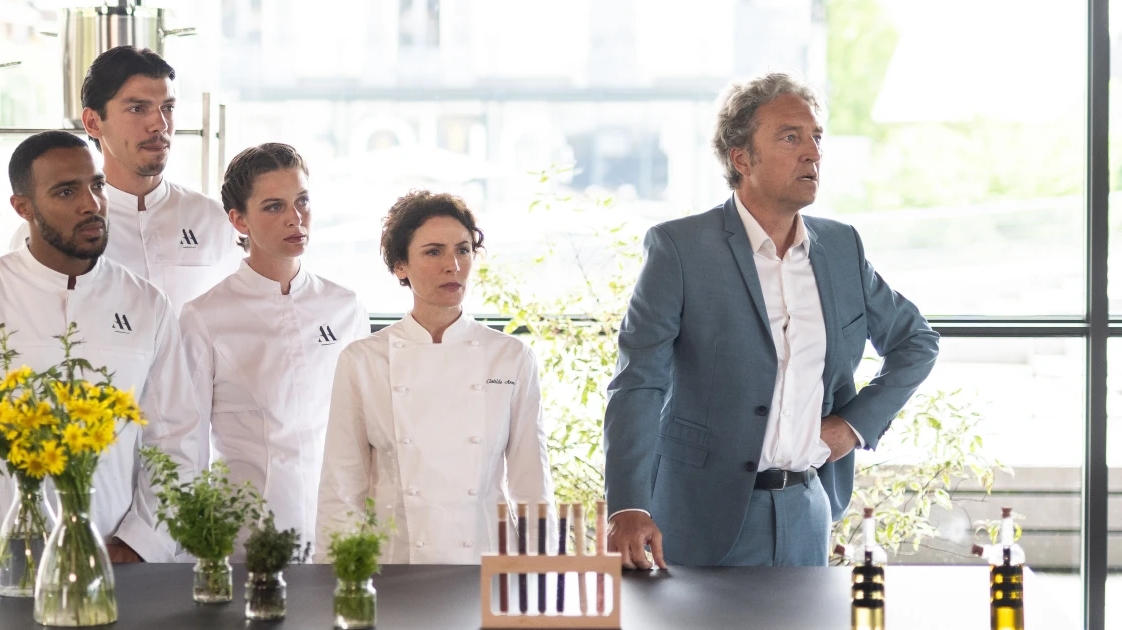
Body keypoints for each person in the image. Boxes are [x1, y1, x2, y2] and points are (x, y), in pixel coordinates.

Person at [603, 73, 940, 568]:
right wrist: (628, 506)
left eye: (816, 137)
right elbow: (639, 382)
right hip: (700, 514)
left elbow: (917, 343)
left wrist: (853, 424)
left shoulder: (841, 248)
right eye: (790, 137)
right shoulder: (680, 249)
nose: (813, 153)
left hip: (807, 510)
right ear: (742, 158)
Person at [0, 131, 200, 592]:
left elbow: (175, 437)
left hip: (117, 564)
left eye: (97, 185)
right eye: (66, 192)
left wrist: (142, 541)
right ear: (23, 208)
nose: (92, 204)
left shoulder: (147, 304)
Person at [316, 190, 554, 563]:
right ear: (400, 266)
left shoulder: (511, 357)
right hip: (395, 566)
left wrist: (546, 576)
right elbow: (342, 487)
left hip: (485, 566)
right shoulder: (363, 361)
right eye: (433, 252)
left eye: (463, 250)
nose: (453, 265)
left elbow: (532, 483)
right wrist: (335, 580)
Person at [179, 143, 369, 558]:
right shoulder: (205, 317)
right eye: (273, 206)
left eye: (302, 201)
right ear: (239, 220)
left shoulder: (345, 307)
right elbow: (186, 445)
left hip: (337, 533)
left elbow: (363, 430)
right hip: (245, 538)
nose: (295, 218)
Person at [9, 46, 241, 316]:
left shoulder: (215, 220)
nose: (159, 125)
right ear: (93, 122)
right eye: (137, 108)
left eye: (167, 108)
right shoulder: (48, 232)